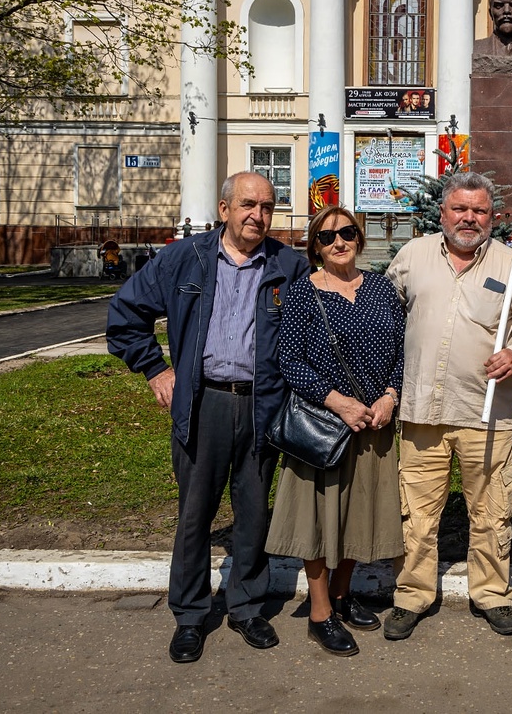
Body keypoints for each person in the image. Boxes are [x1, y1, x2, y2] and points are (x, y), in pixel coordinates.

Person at [107, 172, 309, 663]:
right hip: (203, 404)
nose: (257, 215)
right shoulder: (185, 258)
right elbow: (126, 314)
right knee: (195, 515)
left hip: (262, 405)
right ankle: (190, 616)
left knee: (253, 514)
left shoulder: (289, 266)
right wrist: (155, 369)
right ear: (224, 209)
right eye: (247, 204)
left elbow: (311, 334)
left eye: (267, 206)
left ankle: (246, 608)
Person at [382, 172, 512, 640]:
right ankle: (411, 595)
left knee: (492, 510)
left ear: (492, 217)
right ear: (443, 212)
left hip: (484, 411)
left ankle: (491, 594)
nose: (469, 218)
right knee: (416, 513)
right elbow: (386, 315)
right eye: (460, 208)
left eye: (479, 210)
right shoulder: (413, 256)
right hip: (421, 410)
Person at [265, 206, 406, 657]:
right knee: (318, 521)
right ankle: (320, 612)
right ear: (315, 248)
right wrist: (338, 402)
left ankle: (343, 596)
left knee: (357, 516)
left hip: (373, 425)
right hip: (325, 426)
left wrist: (390, 395)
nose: (339, 242)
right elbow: (289, 361)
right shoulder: (304, 293)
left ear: (359, 238)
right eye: (327, 237)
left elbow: (403, 350)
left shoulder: (381, 288)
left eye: (346, 232)